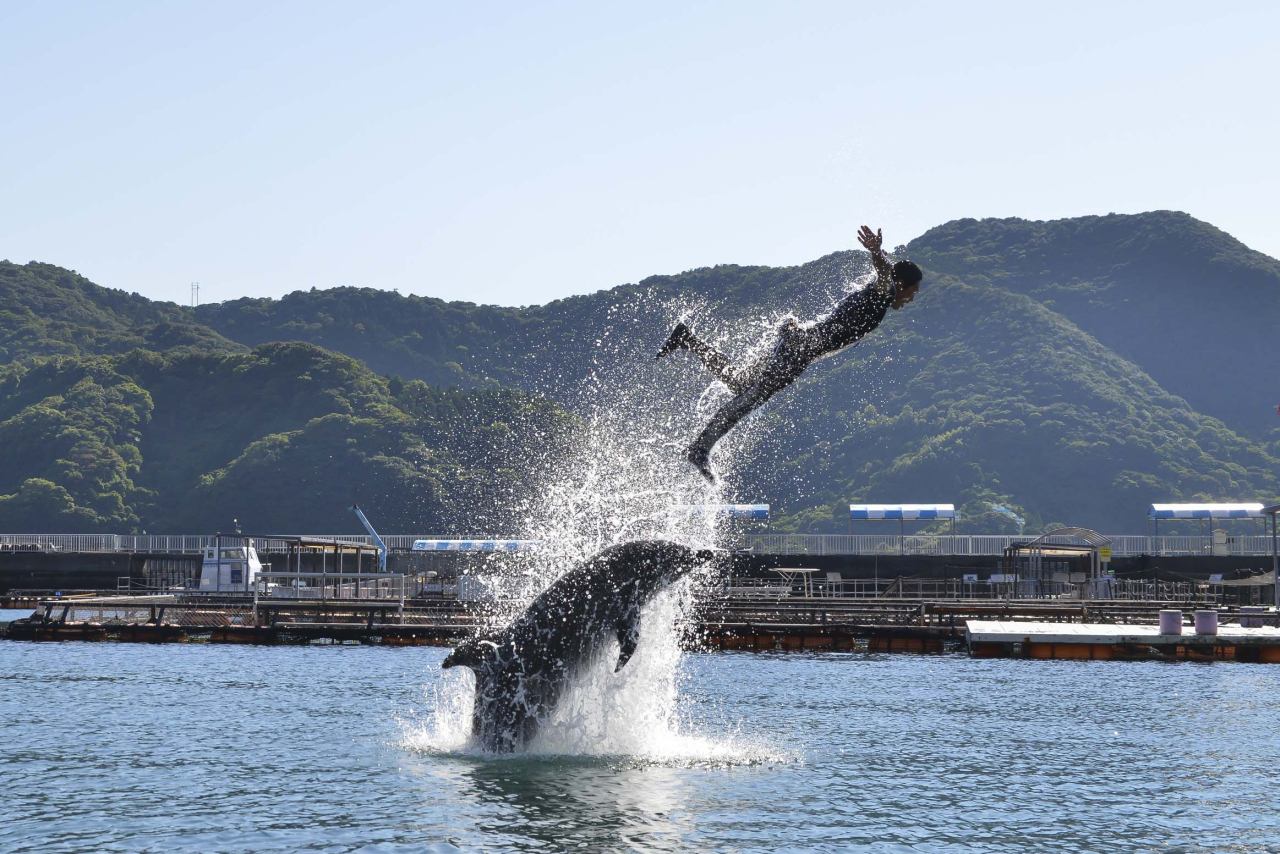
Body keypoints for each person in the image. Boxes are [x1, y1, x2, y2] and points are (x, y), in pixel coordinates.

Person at [657, 225, 923, 482]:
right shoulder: (881, 295)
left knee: (740, 384)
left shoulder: (879, 295)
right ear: (901, 284)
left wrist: (881, 255)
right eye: (913, 292)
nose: (911, 299)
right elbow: (884, 274)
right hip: (800, 349)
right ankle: (700, 449)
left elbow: (885, 271)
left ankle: (687, 339)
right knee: (752, 396)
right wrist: (877, 253)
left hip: (797, 340)